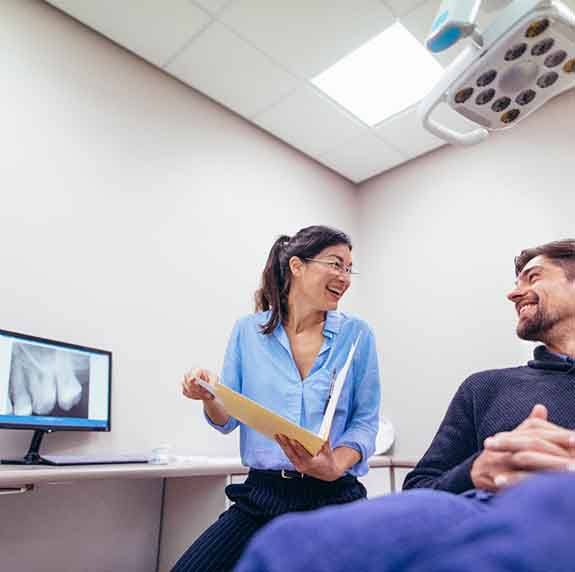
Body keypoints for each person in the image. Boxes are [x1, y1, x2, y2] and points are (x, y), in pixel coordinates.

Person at [234, 239, 575, 572]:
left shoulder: (356, 334)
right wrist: (478, 469)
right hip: (477, 513)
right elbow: (420, 486)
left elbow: (363, 423)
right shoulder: (485, 387)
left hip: (542, 523)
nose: (513, 293)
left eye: (533, 277)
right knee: (290, 547)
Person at [171, 225, 381, 572]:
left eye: (348, 268)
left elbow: (365, 420)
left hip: (335, 496)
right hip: (261, 497)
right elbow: (227, 419)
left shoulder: (357, 334)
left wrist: (334, 465)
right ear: (297, 266)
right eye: (335, 264)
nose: (344, 277)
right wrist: (209, 395)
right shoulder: (247, 332)